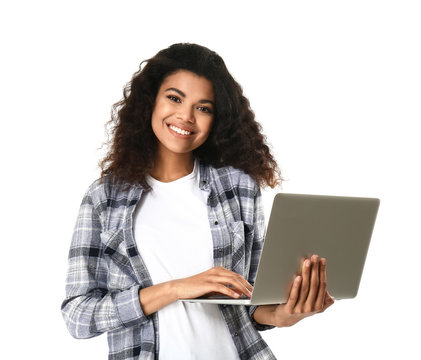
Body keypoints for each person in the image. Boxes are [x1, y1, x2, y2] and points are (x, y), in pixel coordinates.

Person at [61, 43, 334, 360]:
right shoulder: (104, 198)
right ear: (150, 101)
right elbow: (78, 316)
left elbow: (255, 301)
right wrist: (174, 289)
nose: (186, 116)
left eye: (203, 108)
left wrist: (287, 313)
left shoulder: (238, 187)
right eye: (174, 98)